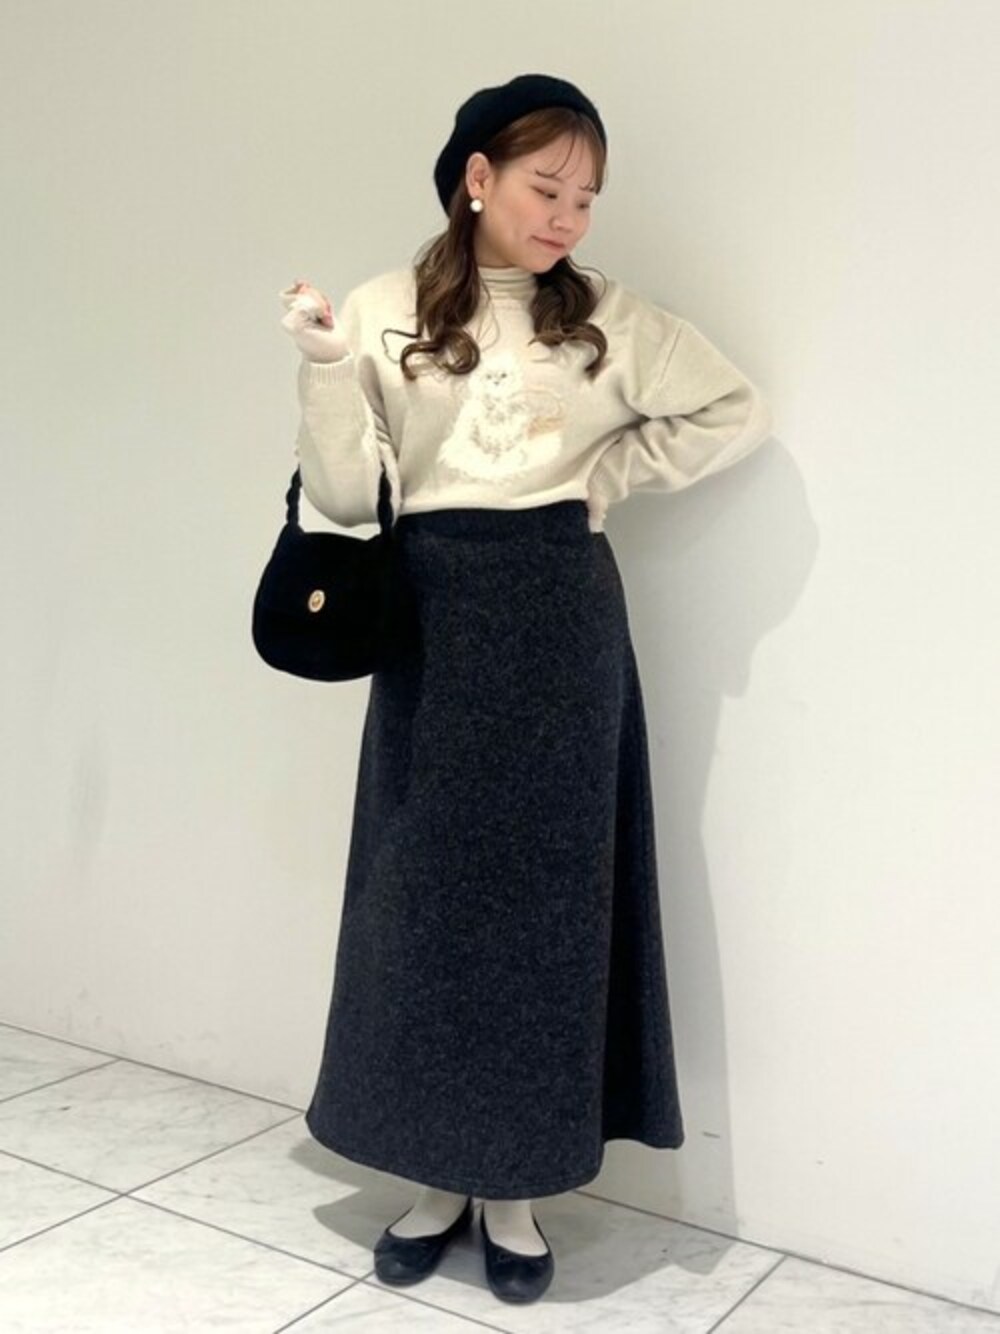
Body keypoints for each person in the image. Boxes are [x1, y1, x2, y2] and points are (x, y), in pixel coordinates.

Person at [278, 72, 772, 1305]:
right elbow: (343, 500)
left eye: (586, 198)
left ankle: (513, 1192)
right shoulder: (383, 310)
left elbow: (733, 407)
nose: (567, 216)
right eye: (548, 187)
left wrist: (609, 476)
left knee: (548, 912)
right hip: (431, 618)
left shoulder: (605, 315)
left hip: (559, 620)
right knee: (421, 902)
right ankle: (435, 1178)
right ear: (476, 177)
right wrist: (329, 368)